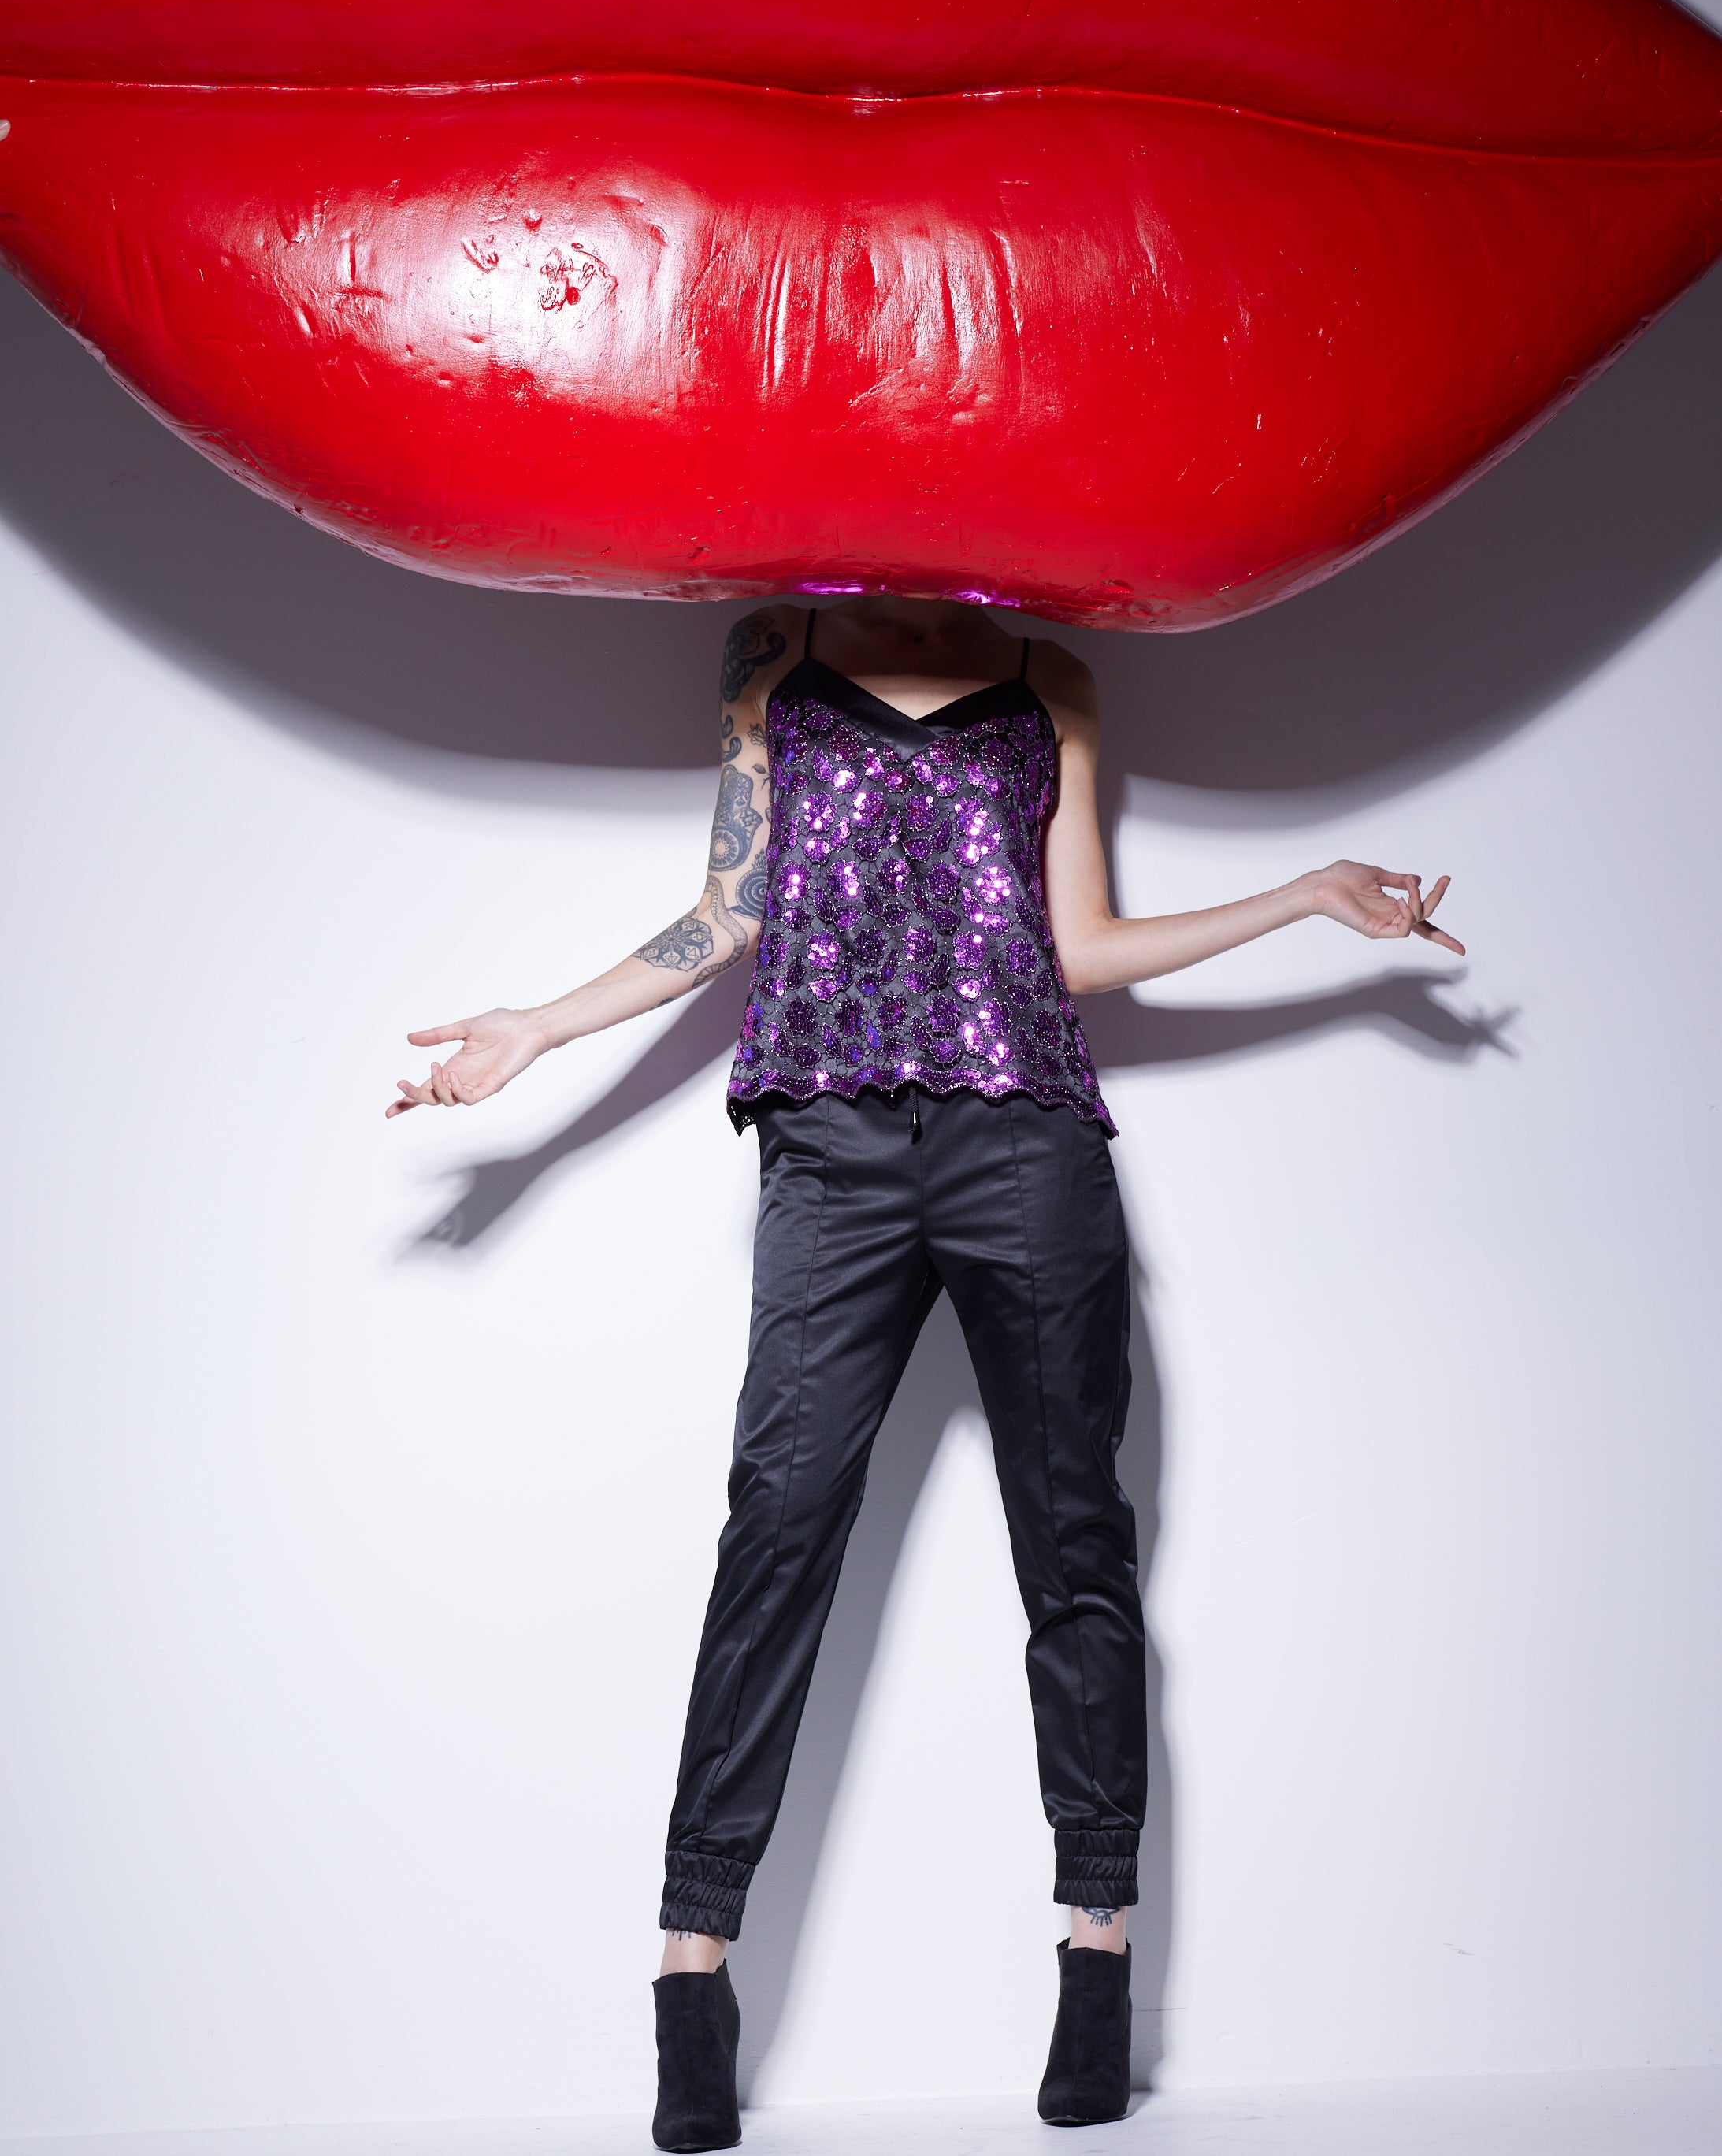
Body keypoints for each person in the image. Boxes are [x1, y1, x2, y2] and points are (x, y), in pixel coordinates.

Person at [386, 597, 1461, 2148]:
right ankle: (691, 1971)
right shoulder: (775, 652)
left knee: (1074, 1538)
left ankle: (1095, 1951)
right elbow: (730, 909)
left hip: (1023, 1140)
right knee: (776, 1528)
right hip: (828, 1145)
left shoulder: (1048, 675)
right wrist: (539, 1031)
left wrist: (1300, 897)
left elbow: (1076, 946)